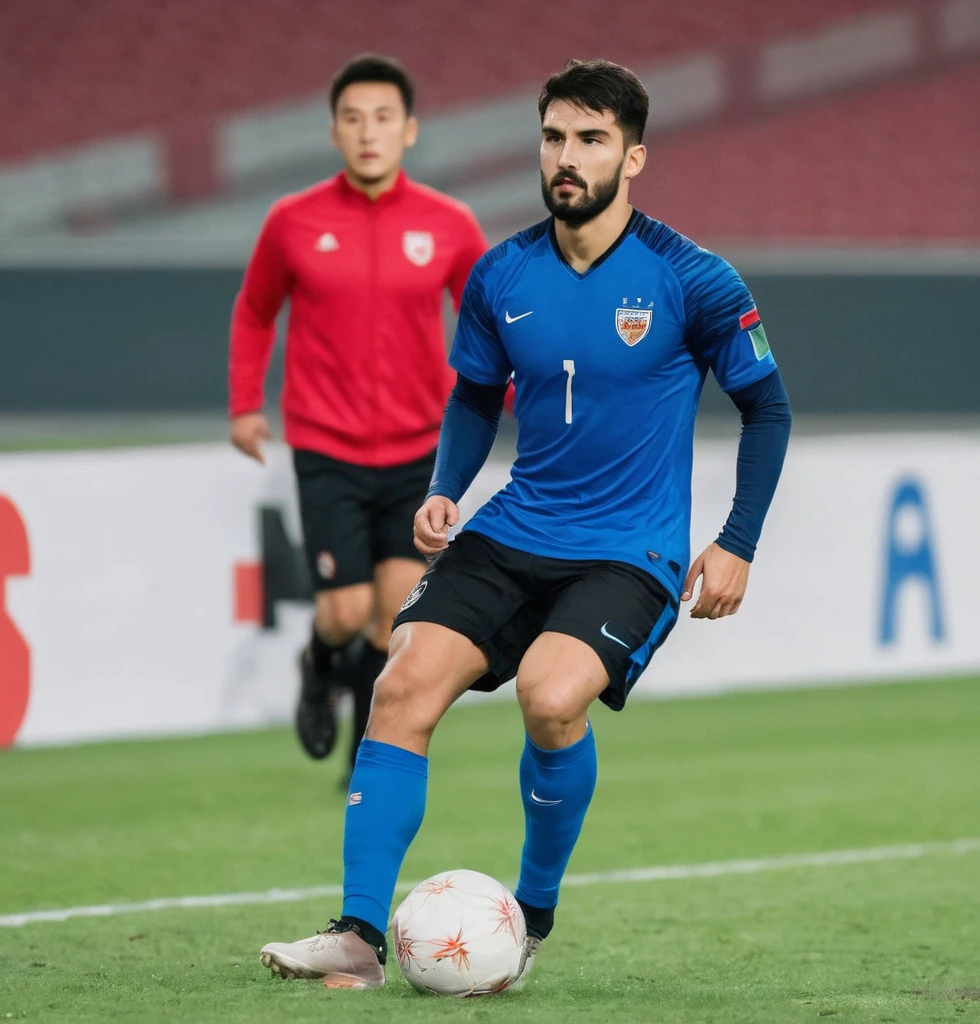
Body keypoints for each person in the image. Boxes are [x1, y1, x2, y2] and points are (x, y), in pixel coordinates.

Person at [258, 58, 792, 990]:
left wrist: (738, 539)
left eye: (590, 140)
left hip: (632, 547)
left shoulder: (691, 278)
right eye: (554, 137)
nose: (566, 157)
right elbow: (472, 394)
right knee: (401, 684)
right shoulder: (502, 273)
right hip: (515, 526)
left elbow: (770, 409)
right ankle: (355, 935)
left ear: (633, 157)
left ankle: (532, 912)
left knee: (550, 698)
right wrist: (445, 486)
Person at [228, 54, 489, 783]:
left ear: (409, 130)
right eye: (352, 118)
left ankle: (365, 748)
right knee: (343, 615)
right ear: (334, 131)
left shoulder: (449, 225)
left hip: (417, 454)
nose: (367, 132)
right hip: (329, 448)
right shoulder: (292, 221)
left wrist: (511, 402)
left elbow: (488, 327)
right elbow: (254, 313)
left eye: (383, 118)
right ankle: (318, 668)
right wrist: (245, 405)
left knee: (391, 620)